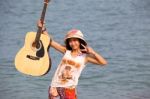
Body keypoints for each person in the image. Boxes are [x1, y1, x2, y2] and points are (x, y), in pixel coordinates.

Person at [38, 20, 107, 99]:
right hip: (55, 87)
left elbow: (103, 63)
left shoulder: (85, 58)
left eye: (75, 40)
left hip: (69, 89)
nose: (73, 43)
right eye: (70, 41)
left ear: (80, 41)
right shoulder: (66, 51)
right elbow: (51, 42)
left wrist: (93, 52)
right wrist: (43, 29)